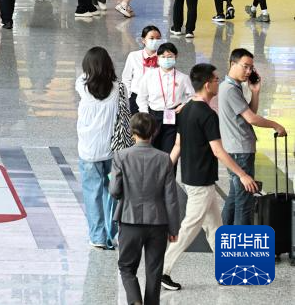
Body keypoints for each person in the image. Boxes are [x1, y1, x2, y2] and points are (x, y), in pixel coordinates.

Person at [162, 63, 258, 292]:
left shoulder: (185, 109)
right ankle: (162, 271)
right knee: (189, 227)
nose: (218, 82)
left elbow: (178, 145)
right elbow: (218, 151)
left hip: (192, 178)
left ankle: (226, 270)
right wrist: (242, 174)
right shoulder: (207, 114)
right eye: (216, 79)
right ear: (207, 84)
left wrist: (164, 169)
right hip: (201, 182)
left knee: (215, 228)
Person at [109, 113, 181, 305]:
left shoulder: (121, 156)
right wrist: (174, 228)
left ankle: (135, 301)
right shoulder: (164, 159)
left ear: (132, 132)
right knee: (154, 271)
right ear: (154, 132)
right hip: (158, 223)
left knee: (127, 267)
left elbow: (115, 191)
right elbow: (171, 198)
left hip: (129, 220)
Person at [218, 48, 286, 227]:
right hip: (240, 151)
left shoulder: (232, 87)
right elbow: (252, 118)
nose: (249, 71)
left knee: (235, 198)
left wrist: (255, 92)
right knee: (244, 203)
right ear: (232, 64)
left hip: (236, 149)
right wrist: (275, 125)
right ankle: (241, 242)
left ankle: (223, 237)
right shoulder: (230, 89)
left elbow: (249, 112)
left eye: (251, 68)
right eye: (245, 66)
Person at [75, 47, 122, 250]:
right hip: (112, 150)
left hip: (88, 151)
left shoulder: (82, 86)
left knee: (92, 193)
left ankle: (97, 237)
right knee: (112, 192)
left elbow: (83, 77)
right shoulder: (118, 88)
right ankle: (112, 233)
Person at [135, 42, 193, 154]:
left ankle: (169, 166)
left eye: (170, 56)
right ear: (158, 58)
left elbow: (192, 97)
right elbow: (141, 97)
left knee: (169, 151)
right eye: (163, 56)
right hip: (153, 116)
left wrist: (184, 105)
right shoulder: (149, 76)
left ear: (176, 56)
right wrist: (146, 115)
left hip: (173, 116)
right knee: (152, 150)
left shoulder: (183, 78)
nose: (166, 59)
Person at [121, 26, 163, 114]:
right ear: (143, 40)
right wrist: (129, 96)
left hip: (156, 98)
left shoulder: (163, 58)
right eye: (151, 38)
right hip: (136, 97)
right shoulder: (133, 56)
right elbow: (126, 77)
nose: (155, 41)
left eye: (158, 38)